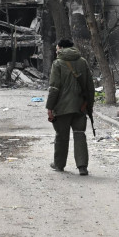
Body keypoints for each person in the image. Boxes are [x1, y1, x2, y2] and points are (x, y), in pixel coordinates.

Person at [46, 39, 95, 175]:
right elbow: (90, 87)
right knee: (80, 135)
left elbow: (54, 88)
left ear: (60, 48)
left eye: (57, 48)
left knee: (62, 136)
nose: (56, 50)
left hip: (62, 108)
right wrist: (88, 105)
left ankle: (59, 164)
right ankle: (82, 167)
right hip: (80, 106)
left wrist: (49, 107)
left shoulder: (58, 64)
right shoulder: (83, 62)